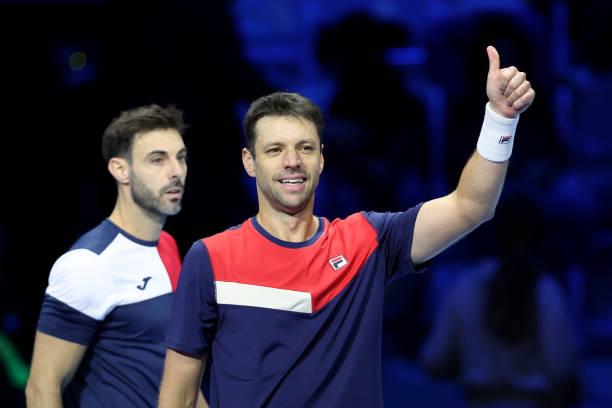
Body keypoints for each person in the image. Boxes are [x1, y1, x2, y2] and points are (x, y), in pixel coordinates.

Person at [159, 45, 535, 407]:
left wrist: (500, 118)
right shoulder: (210, 257)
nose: (292, 161)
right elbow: (179, 396)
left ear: (321, 159)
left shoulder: (366, 241)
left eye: (305, 148)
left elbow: (471, 206)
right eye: (275, 150)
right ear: (249, 161)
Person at [25, 104, 202, 407]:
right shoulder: (88, 264)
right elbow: (42, 388)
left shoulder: (168, 245)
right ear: (120, 169)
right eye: (157, 160)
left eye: (181, 158)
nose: (176, 172)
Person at [420, 195, 579, 408]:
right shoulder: (546, 290)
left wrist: (470, 362)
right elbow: (562, 370)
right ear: (540, 237)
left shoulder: (466, 286)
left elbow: (434, 360)